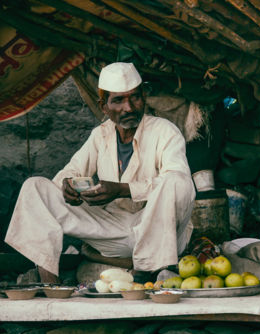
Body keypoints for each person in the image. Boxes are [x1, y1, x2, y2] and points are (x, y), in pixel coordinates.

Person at [5, 62, 196, 283]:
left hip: (158, 232)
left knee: (176, 180)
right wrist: (68, 185)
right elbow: (71, 170)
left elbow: (179, 184)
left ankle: (147, 271)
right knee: (35, 186)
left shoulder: (165, 131)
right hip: (112, 231)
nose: (128, 108)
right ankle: (49, 280)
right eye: (118, 100)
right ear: (104, 106)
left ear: (144, 97)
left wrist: (122, 190)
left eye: (134, 98)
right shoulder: (100, 135)